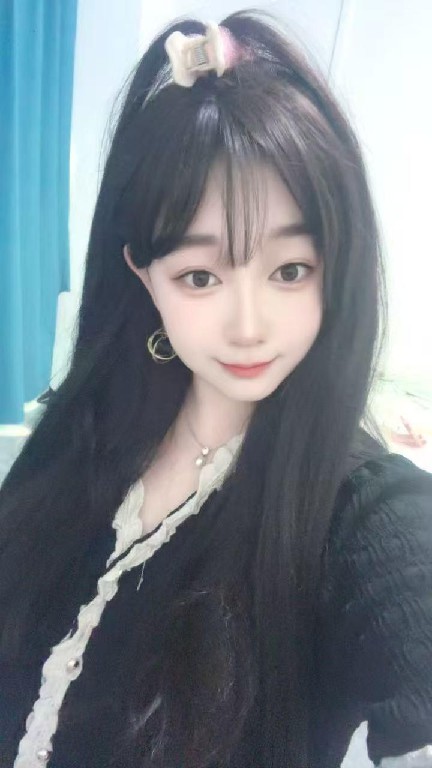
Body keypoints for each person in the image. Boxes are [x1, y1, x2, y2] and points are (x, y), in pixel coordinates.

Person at [0, 10, 431, 768]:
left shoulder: (363, 511)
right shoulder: (81, 430)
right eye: (200, 276)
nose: (249, 327)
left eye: (290, 270)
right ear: (144, 276)